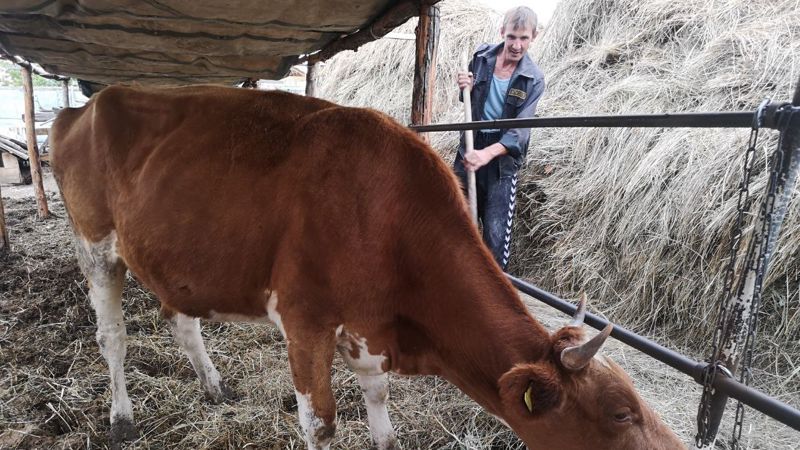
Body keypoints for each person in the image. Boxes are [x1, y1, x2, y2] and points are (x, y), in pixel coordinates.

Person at [455, 6, 545, 270]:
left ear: (534, 37)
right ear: (502, 32)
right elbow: (468, 100)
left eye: (524, 38)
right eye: (512, 37)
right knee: (455, 223)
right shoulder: (481, 58)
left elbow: (519, 134)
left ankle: (490, 300)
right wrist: (465, 86)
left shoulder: (533, 79)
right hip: (469, 150)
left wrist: (487, 154)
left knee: (494, 238)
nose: (517, 45)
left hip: (501, 164)